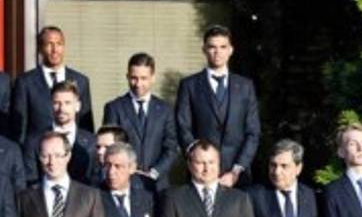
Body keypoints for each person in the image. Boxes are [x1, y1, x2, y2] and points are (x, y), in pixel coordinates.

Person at [175, 25, 260, 187]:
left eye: (223, 47)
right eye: (212, 47)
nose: (217, 52)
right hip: (200, 175)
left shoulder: (245, 86)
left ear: (231, 50)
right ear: (204, 49)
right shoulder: (189, 85)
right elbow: (182, 127)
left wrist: (237, 169)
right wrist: (200, 162)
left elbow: (253, 132)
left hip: (238, 177)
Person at [102, 53, 177, 190]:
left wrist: (154, 172)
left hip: (157, 185)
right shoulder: (114, 108)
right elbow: (110, 147)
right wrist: (129, 172)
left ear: (153, 78)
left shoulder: (166, 110)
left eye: (144, 78)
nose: (138, 84)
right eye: (134, 78)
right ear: (127, 76)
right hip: (124, 183)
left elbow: (171, 148)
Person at [10, 25, 94, 143]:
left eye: (59, 44)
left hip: (75, 153)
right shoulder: (25, 82)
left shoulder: (81, 81)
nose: (55, 50)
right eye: (49, 44)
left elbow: (86, 125)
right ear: (40, 48)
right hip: (38, 152)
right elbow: (19, 127)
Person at [21, 80, 97, 187]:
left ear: (78, 106)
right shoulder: (34, 141)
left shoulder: (92, 142)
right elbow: (30, 180)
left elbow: (95, 181)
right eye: (57, 103)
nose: (61, 109)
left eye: (67, 103)